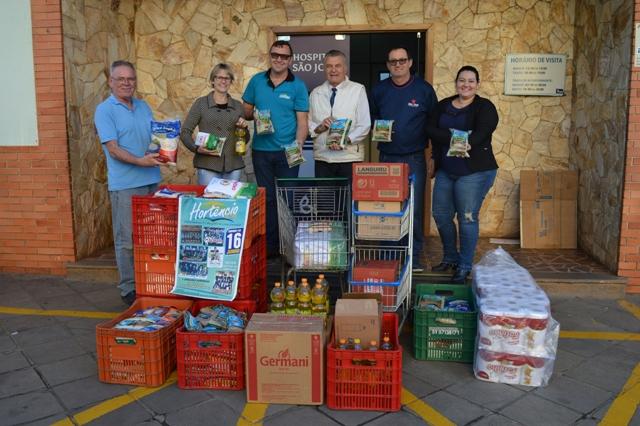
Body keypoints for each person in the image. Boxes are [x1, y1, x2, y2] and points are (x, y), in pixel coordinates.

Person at [94, 60, 164, 305]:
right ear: (111, 82)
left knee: (153, 236)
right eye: (121, 79)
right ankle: (129, 289)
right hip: (125, 185)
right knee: (127, 239)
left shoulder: (143, 106)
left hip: (152, 181)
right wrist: (139, 161)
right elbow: (112, 149)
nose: (126, 83)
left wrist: (165, 150)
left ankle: (149, 282)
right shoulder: (105, 110)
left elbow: (154, 139)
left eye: (130, 79)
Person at [427, 65, 499, 284]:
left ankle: (465, 265)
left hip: (474, 171)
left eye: (470, 81)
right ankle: (450, 257)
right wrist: (456, 137)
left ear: (477, 84)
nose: (465, 84)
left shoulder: (484, 107)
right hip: (447, 170)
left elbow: (482, 132)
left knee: (467, 218)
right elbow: (429, 129)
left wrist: (464, 140)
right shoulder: (443, 106)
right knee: (440, 214)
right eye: (461, 80)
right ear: (456, 82)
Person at [370, 47, 437, 272]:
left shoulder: (424, 90)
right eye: (393, 62)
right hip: (387, 158)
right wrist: (376, 126)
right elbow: (371, 116)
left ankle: (413, 257)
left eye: (402, 60)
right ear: (388, 65)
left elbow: (435, 125)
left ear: (409, 63)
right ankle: (388, 256)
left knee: (414, 209)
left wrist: (433, 156)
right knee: (386, 207)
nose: (397, 65)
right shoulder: (379, 90)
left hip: (414, 158)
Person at [242, 40, 309, 258]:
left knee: (287, 199)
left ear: (291, 60)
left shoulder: (298, 85)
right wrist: (256, 116)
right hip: (261, 151)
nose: (279, 59)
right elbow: (246, 111)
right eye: (275, 55)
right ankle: (271, 248)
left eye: (284, 56)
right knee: (268, 199)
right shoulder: (256, 81)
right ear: (269, 56)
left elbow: (302, 122)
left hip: (288, 152)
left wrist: (298, 145)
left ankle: (289, 247)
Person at [180, 63, 248, 185]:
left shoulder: (238, 106)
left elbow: (244, 139)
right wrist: (196, 148)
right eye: (219, 77)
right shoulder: (201, 104)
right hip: (207, 165)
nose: (223, 81)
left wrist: (244, 129)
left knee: (231, 203)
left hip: (233, 165)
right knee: (209, 203)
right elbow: (185, 132)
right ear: (212, 80)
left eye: (227, 78)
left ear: (231, 81)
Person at [308, 49, 371, 179]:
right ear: (324, 69)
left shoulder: (358, 90)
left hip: (349, 157)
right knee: (326, 199)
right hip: (323, 158)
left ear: (345, 68)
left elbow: (364, 125)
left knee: (348, 199)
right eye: (329, 66)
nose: (333, 70)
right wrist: (320, 127)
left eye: (338, 66)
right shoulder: (315, 93)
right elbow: (308, 123)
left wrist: (345, 140)